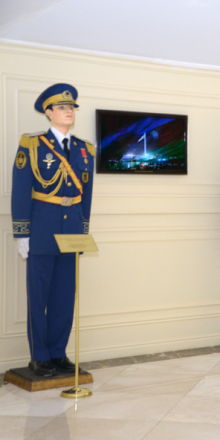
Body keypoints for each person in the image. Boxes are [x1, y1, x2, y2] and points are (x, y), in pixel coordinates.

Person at [11, 83, 95, 376]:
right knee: (39, 295)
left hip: (71, 228)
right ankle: (40, 357)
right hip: (42, 228)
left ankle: (58, 353)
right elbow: (21, 189)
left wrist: (84, 230)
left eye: (71, 107)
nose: (68, 111)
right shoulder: (32, 145)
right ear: (48, 113)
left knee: (64, 296)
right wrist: (21, 232)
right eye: (62, 107)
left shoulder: (85, 150)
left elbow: (87, 194)